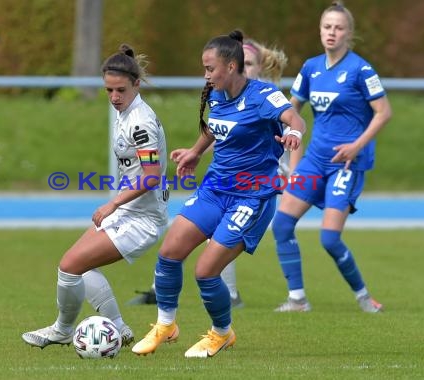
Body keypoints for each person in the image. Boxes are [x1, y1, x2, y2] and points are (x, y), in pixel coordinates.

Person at [131, 29, 306, 358]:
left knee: (206, 272)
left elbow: (293, 116)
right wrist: (196, 152)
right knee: (169, 252)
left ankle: (221, 333)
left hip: (251, 198)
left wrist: (294, 131)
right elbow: (216, 126)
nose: (206, 75)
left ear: (230, 66)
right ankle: (165, 325)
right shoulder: (216, 95)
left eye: (210, 68)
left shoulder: (263, 95)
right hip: (215, 189)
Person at [21, 44, 169, 348]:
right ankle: (118, 328)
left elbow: (152, 176)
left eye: (120, 90)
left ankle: (63, 330)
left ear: (136, 84)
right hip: (128, 212)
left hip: (141, 218)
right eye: (109, 90)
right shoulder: (125, 111)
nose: (114, 97)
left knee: (70, 266)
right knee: (76, 266)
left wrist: (113, 202)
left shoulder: (139, 120)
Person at [272, 1, 392, 313]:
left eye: (338, 28)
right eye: (327, 27)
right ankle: (297, 299)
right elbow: (291, 112)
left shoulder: (361, 69)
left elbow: (384, 113)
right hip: (314, 161)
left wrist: (357, 146)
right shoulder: (311, 68)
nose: (331, 33)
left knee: (329, 239)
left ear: (348, 33)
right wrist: (294, 165)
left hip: (346, 164)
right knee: (282, 224)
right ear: (320, 30)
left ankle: (364, 296)